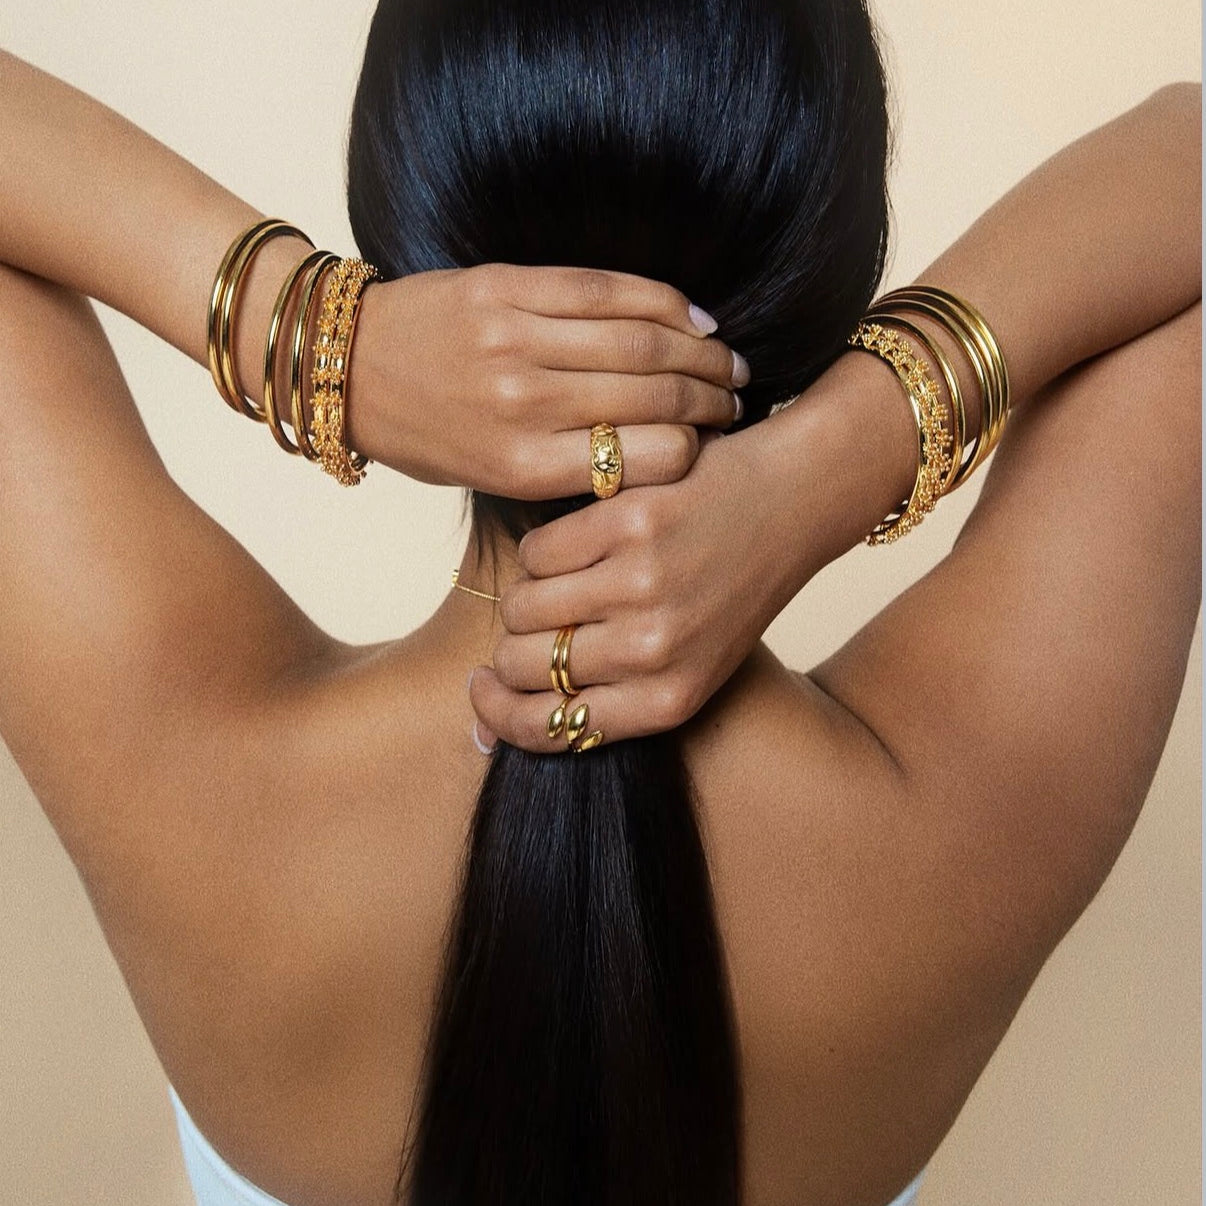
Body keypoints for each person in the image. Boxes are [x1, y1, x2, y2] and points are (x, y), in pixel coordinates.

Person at [0, 0, 1199, 1201]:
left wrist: (314, 334)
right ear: (831, 258)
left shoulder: (196, 778)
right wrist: (863, 440)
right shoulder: (969, 819)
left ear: (399, 220)